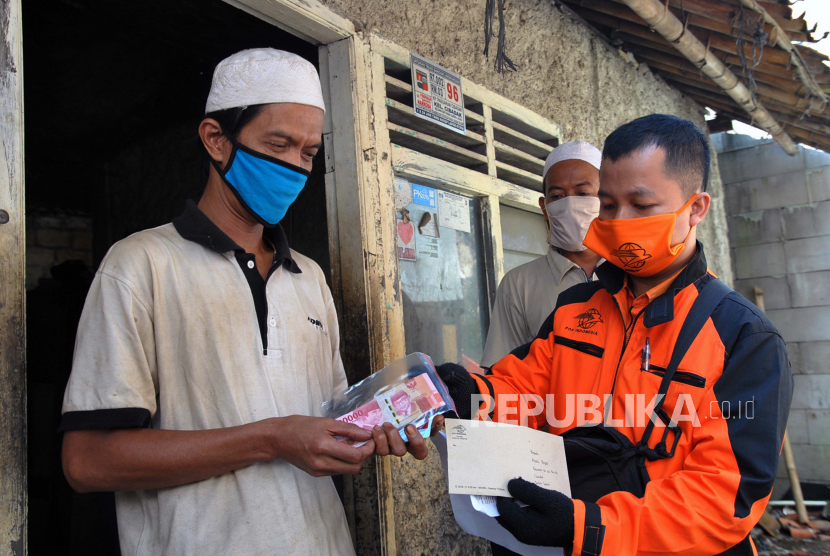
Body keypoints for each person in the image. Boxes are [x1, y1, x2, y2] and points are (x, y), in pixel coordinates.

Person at [59, 48, 440, 556]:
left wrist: (378, 427)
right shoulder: (139, 266)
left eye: (306, 154)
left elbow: (327, 425)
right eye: (278, 144)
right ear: (217, 140)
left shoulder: (310, 279)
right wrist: (271, 438)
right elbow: (87, 462)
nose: (294, 167)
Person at [438, 114, 792, 555]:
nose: (620, 221)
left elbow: (726, 499)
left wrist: (589, 527)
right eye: (608, 205)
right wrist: (470, 392)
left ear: (696, 209)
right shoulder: (577, 308)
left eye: (641, 206)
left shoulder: (742, 337)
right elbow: (522, 392)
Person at [481, 141, 602, 368]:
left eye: (583, 192)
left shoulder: (634, 275)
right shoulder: (520, 284)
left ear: (607, 198)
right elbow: (502, 374)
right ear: (544, 206)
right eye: (557, 196)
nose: (569, 204)